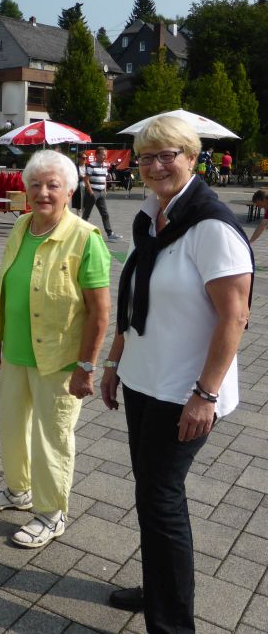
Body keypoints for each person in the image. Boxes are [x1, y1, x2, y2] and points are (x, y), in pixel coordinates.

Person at [100, 116, 253, 630]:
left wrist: (205, 394)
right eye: (146, 156)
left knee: (161, 499)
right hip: (145, 379)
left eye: (169, 154)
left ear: (192, 157)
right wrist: (115, 361)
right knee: (151, 493)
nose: (156, 165)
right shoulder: (152, 217)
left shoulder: (211, 226)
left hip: (184, 390)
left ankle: (172, 624)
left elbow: (235, 317)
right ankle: (160, 586)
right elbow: (133, 299)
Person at [0, 149, 110, 549]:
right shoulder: (20, 226)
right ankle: (18, 491)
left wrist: (86, 367)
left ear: (70, 190)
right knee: (12, 428)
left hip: (60, 359)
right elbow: (6, 287)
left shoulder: (85, 238)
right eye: (36, 184)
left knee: (53, 437)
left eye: (53, 185)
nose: (43, 192)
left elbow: (100, 312)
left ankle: (52, 513)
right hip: (16, 350)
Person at [82, 146, 124, 241]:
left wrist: (105, 189)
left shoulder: (105, 165)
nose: (105, 156)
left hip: (101, 192)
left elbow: (105, 178)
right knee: (86, 214)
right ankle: (80, 232)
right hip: (93, 192)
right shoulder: (91, 165)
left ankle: (110, 234)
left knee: (105, 214)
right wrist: (91, 192)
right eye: (103, 154)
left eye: (105, 154)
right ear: (97, 155)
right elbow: (86, 179)